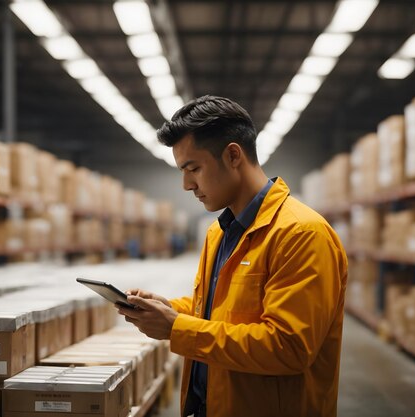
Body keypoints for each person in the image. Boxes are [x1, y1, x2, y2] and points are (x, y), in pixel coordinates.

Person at [117, 95, 348, 417]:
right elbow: (222, 312)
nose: (186, 185)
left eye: (193, 168)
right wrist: (170, 309)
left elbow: (289, 348)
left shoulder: (301, 234)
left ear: (233, 155)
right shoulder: (219, 232)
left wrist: (176, 328)